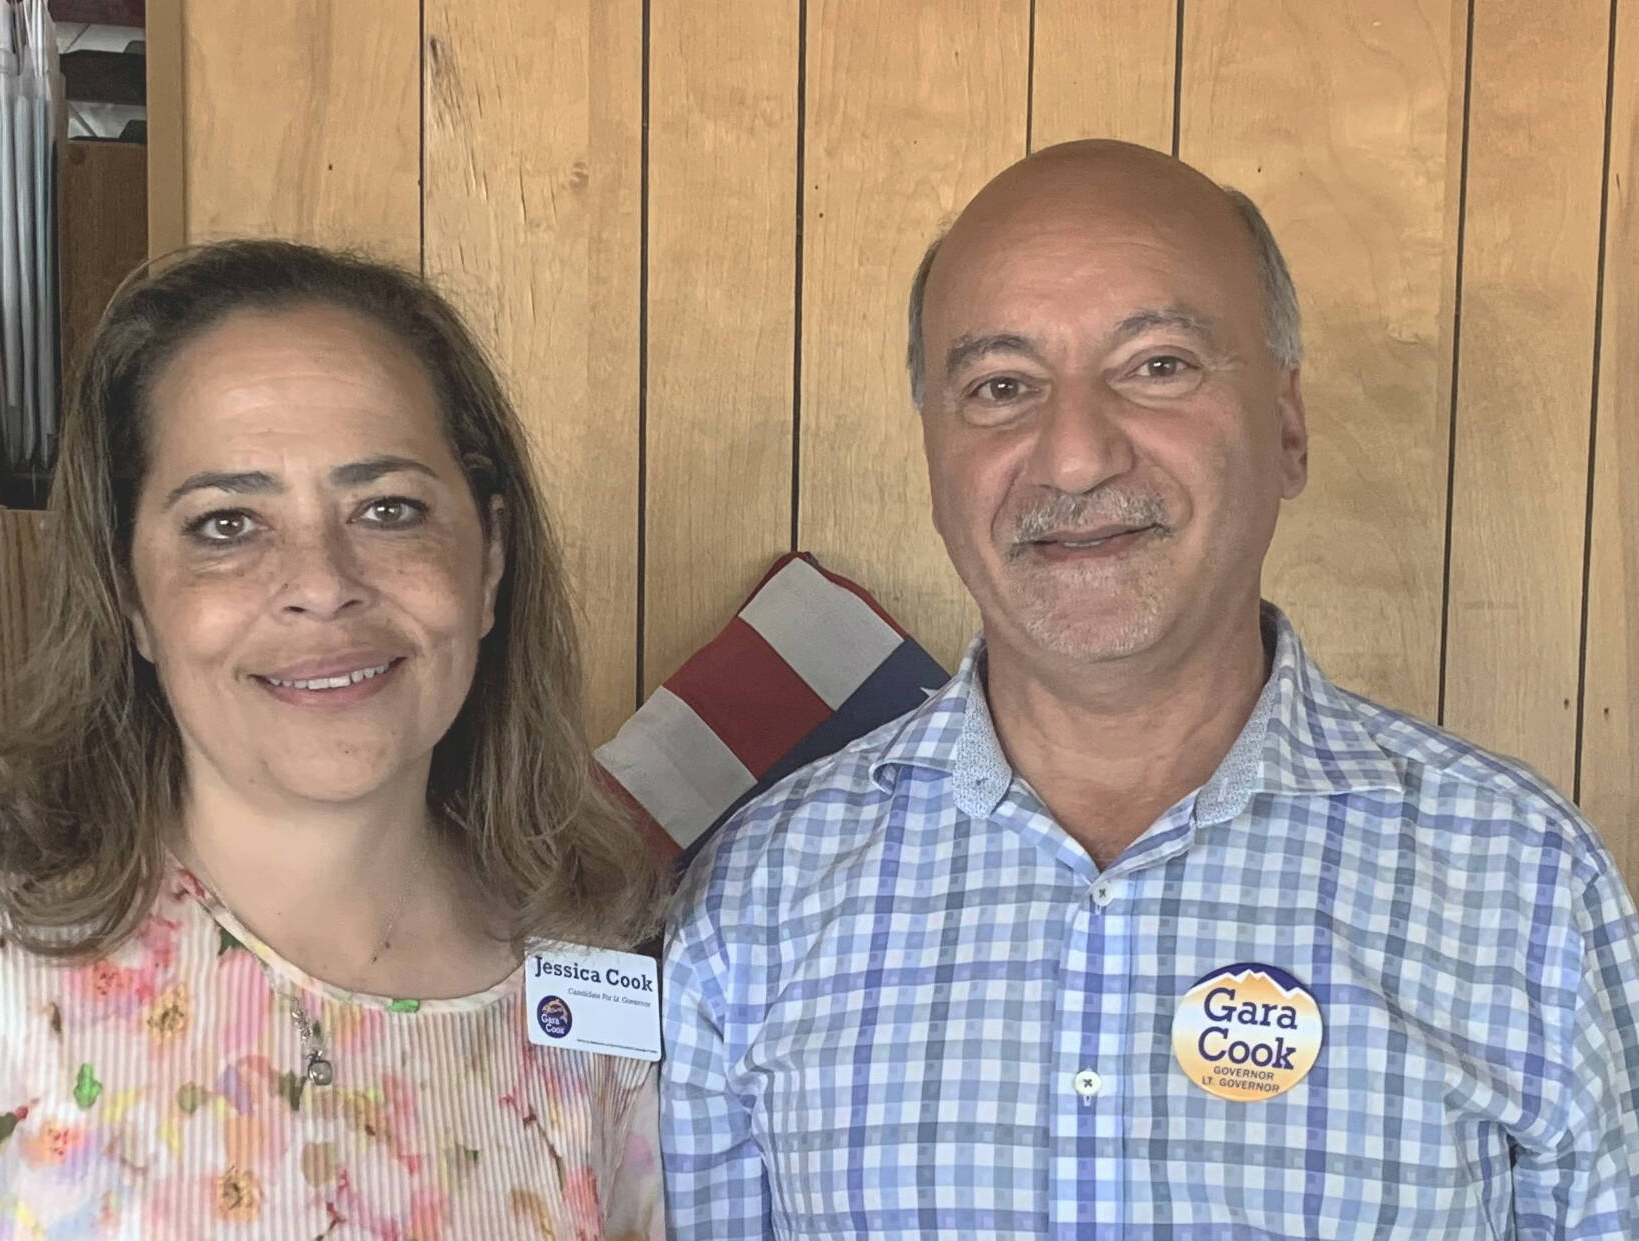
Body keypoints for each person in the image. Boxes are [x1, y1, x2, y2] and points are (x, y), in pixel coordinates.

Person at [661, 139, 1639, 1238]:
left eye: (1158, 364)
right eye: (999, 387)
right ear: (934, 457)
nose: (1073, 455)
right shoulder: (755, 897)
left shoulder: (1523, 884)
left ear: (1284, 424)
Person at [0, 240, 668, 1239]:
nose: (322, 581)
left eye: (387, 508)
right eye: (227, 523)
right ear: (127, 591)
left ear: (490, 557)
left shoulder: (593, 986)